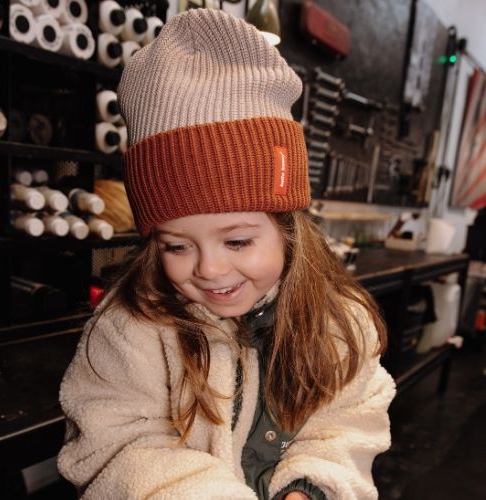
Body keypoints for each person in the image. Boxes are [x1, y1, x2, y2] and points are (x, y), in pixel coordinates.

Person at [57, 8, 396, 500]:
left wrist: (311, 487)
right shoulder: (131, 328)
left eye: (237, 241)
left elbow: (348, 423)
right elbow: (114, 443)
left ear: (287, 227)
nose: (210, 269)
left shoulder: (341, 323)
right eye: (176, 245)